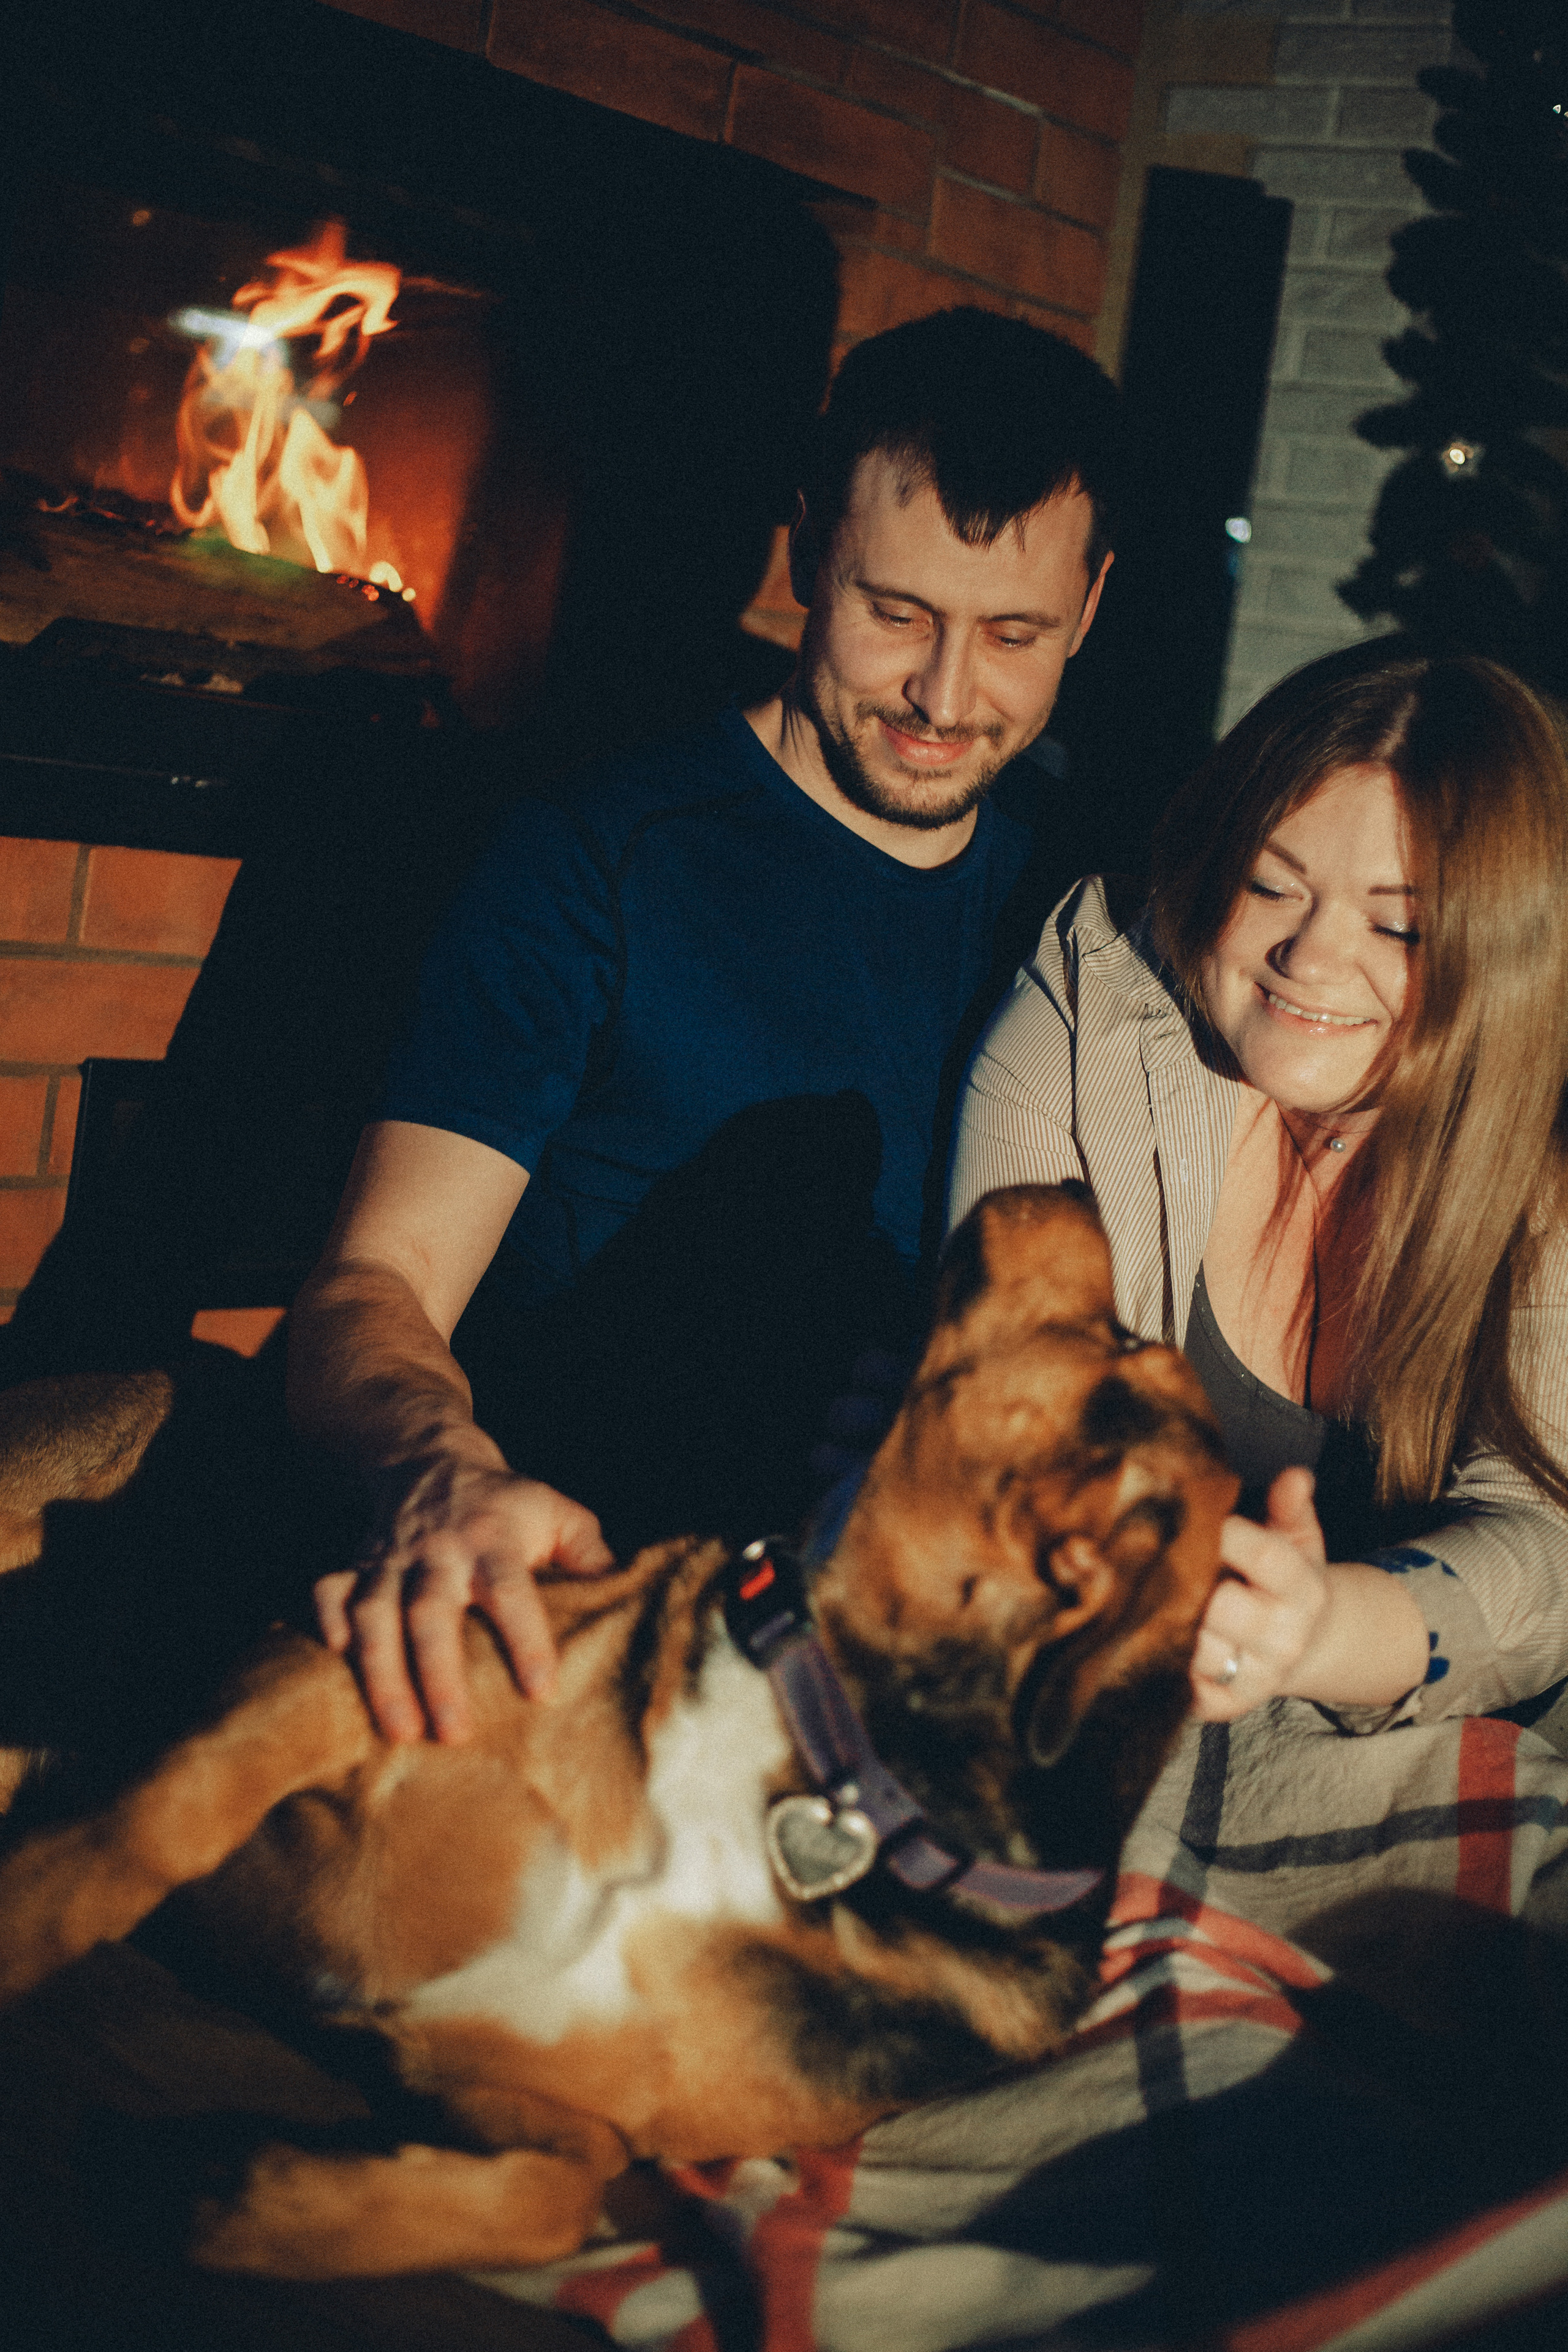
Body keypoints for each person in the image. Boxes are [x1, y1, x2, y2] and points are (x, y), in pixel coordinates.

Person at [287, 306, 1121, 1745]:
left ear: (1090, 611)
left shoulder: (1088, 899)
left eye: (1012, 636)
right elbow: (378, 1280)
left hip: (894, 1636)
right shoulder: (596, 857)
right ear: (802, 552)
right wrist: (439, 1470)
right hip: (586, 1584)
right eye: (895, 613)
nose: (941, 696)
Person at [951, 647, 1568, 1728]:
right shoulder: (1092, 1015)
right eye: (1272, 884)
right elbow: (999, 1418)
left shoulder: (1542, 1160)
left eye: (1399, 925)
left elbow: (1549, 1541)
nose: (1311, 957)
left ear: (1507, 954)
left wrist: (1321, 1629)